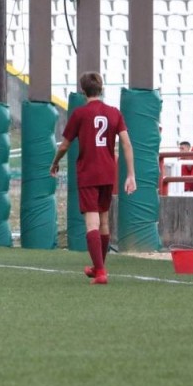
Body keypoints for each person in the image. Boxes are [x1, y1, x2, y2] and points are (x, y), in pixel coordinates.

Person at [49, 71, 137, 285]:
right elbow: (126, 143)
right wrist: (131, 174)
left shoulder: (80, 114)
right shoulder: (114, 113)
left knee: (92, 223)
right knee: (104, 221)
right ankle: (99, 267)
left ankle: (100, 273)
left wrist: (55, 162)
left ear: (83, 91)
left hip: (88, 172)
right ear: (102, 88)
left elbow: (65, 145)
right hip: (108, 172)